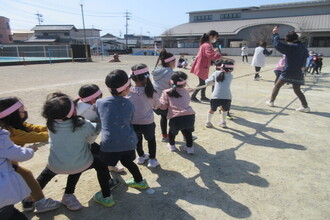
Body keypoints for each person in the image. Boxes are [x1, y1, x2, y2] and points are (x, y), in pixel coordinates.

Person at [37, 93, 115, 209]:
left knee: (45, 176)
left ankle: (29, 199)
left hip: (56, 163)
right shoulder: (81, 124)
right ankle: (106, 196)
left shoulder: (51, 123)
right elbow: (96, 128)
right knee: (101, 165)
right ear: (73, 112)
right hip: (80, 163)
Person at [0, 97, 61, 213]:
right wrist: (61, 129)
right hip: (5, 165)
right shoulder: (11, 132)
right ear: (13, 114)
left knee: (22, 176)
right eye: (22, 110)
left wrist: (53, 126)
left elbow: (33, 128)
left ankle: (27, 201)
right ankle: (41, 202)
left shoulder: (12, 125)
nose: (25, 112)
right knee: (26, 174)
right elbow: (37, 136)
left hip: (9, 161)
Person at [96, 69, 149, 189]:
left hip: (109, 144)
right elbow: (129, 119)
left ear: (109, 88)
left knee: (103, 166)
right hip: (128, 142)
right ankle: (140, 181)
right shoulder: (129, 104)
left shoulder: (100, 102)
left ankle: (107, 192)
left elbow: (100, 118)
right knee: (128, 162)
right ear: (127, 88)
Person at [76, 84, 125, 174]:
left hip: (83, 141)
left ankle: (110, 166)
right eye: (100, 96)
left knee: (102, 154)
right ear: (93, 99)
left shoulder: (78, 106)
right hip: (82, 144)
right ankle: (109, 181)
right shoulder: (91, 110)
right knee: (100, 163)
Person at [266, 26, 310, 113]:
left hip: (289, 70)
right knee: (297, 90)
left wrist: (275, 34)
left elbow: (277, 44)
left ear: (288, 40)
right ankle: (305, 106)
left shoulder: (292, 47)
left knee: (277, 86)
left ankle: (271, 101)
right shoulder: (303, 47)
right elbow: (306, 56)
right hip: (299, 71)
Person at [127, 64, 161, 168]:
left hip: (133, 122)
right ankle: (152, 159)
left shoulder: (128, 91)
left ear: (132, 78)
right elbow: (156, 106)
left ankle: (141, 157)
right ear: (147, 77)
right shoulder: (151, 92)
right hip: (147, 123)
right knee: (151, 140)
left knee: (138, 140)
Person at [0, 128, 37, 220]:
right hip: (2, 194)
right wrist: (31, 149)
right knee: (8, 213)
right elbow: (20, 154)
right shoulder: (2, 140)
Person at [159, 71, 196, 155]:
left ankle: (172, 145)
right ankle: (190, 148)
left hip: (175, 117)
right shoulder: (186, 91)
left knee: (172, 133)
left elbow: (163, 106)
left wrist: (158, 103)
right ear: (185, 82)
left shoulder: (166, 92)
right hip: (189, 115)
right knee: (188, 132)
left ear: (171, 81)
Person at [190, 30, 221, 103]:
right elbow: (209, 55)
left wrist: (214, 52)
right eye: (215, 37)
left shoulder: (206, 44)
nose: (215, 39)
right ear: (211, 37)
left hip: (203, 66)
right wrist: (218, 55)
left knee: (204, 82)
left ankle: (202, 96)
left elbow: (208, 54)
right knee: (202, 83)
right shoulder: (207, 45)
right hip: (201, 66)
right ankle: (193, 96)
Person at [152, 49, 175, 142]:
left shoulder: (156, 71)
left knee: (164, 117)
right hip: (165, 101)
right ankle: (186, 135)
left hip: (155, 102)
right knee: (177, 117)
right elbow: (174, 88)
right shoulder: (171, 73)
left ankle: (164, 136)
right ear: (171, 62)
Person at [205, 60, 234, 128]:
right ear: (231, 70)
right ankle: (223, 122)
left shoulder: (216, 73)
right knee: (224, 110)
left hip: (215, 96)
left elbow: (207, 82)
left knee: (212, 109)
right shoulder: (231, 76)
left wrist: (212, 83)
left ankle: (208, 122)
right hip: (227, 96)